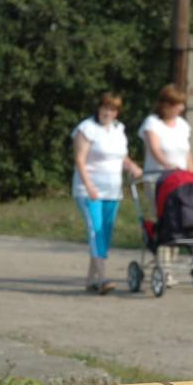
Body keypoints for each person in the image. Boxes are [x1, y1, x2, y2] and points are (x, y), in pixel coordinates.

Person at [72, 92, 143, 294]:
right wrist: (89, 187)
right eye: (105, 108)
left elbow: (122, 157)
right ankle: (103, 279)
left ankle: (90, 280)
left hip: (113, 190)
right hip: (89, 190)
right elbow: (80, 160)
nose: (108, 113)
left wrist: (133, 167)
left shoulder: (118, 129)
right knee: (96, 231)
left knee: (105, 233)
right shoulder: (86, 129)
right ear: (99, 108)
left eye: (112, 109)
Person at [139, 84, 193, 282]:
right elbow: (155, 150)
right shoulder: (152, 123)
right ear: (166, 105)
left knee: (178, 220)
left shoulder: (183, 125)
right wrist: (169, 166)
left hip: (179, 180)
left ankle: (171, 262)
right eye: (177, 105)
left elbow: (187, 153)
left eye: (182, 105)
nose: (181, 109)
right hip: (158, 179)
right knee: (163, 220)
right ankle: (164, 267)